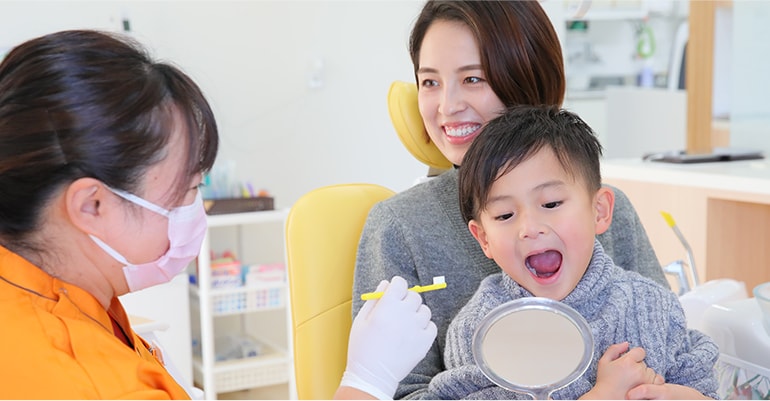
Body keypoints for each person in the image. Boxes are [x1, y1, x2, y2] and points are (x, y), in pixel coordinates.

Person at [0, 29, 435, 400]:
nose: (194, 211)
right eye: (186, 189)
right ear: (92, 205)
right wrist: (366, 382)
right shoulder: (84, 380)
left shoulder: (47, 291)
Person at [352, 1, 671, 398]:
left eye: (473, 79)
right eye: (430, 82)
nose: (447, 106)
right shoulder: (399, 227)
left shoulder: (604, 209)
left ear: (529, 78)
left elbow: (668, 354)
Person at [425, 104, 718, 400]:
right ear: (483, 238)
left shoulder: (653, 306)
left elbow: (704, 388)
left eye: (551, 204)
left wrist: (675, 395)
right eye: (504, 215)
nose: (530, 228)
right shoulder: (477, 332)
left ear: (599, 211)